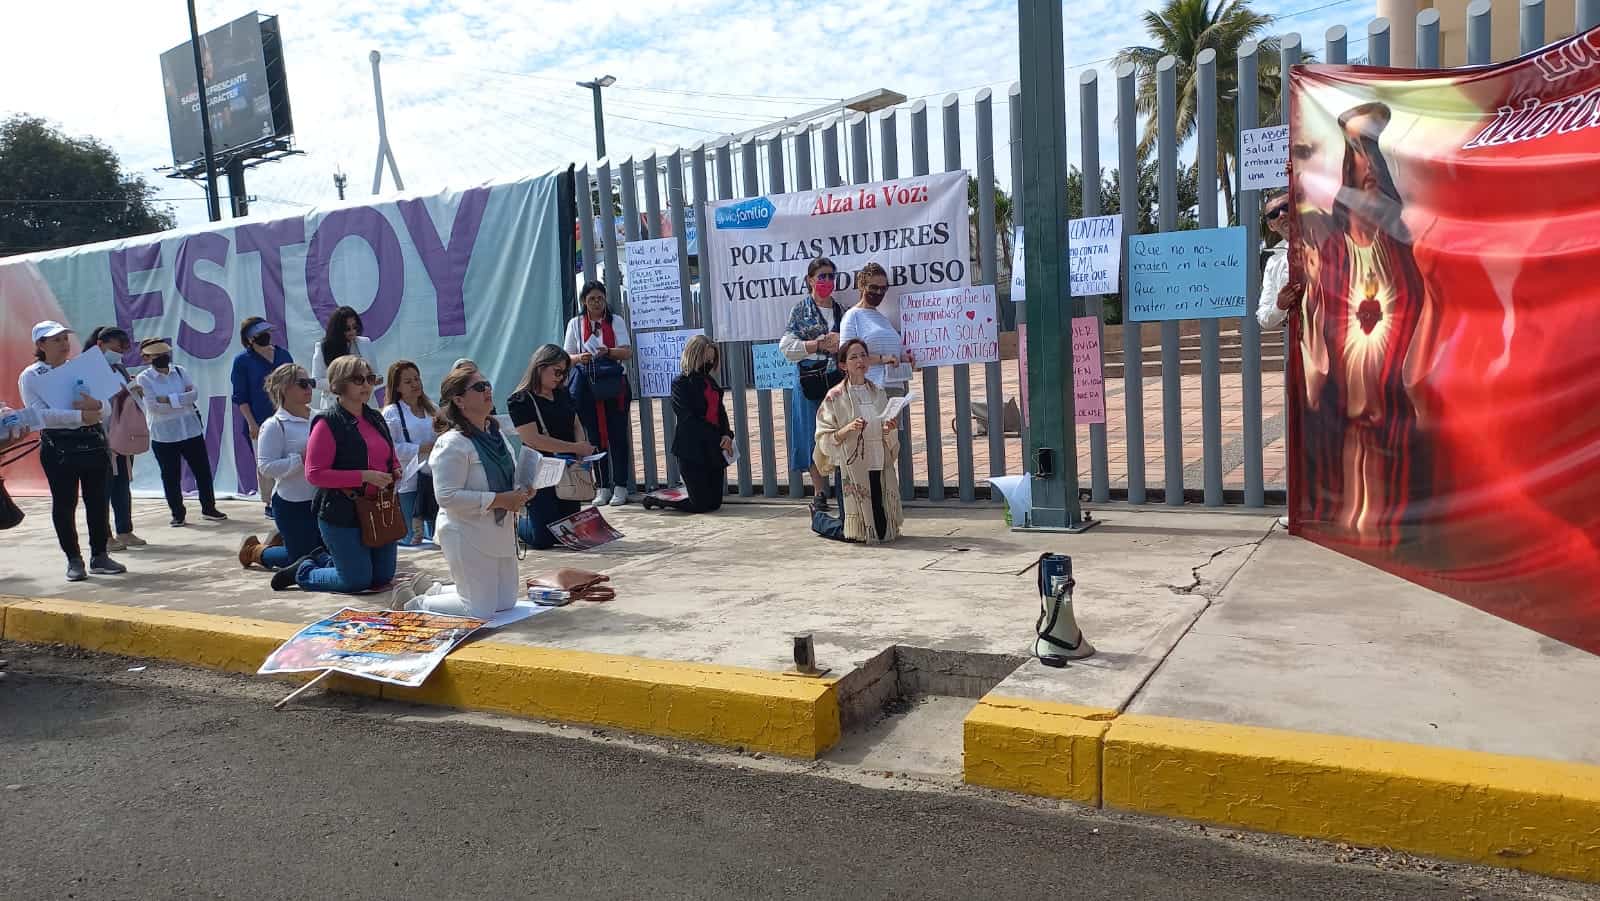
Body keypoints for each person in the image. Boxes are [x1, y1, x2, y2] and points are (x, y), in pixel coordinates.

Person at [1293, 101, 1431, 549]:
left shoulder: (1400, 250)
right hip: (1347, 379)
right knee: (1353, 436)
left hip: (1390, 378)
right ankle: (1353, 520)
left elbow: (1417, 306)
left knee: (1384, 438)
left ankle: (1385, 528)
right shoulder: (1332, 253)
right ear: (1348, 175)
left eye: (1374, 155)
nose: (1368, 166)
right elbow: (1320, 312)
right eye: (1358, 155)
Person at [391, 366, 532, 617]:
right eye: (478, 387)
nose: (487, 390)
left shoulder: (495, 433)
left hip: (498, 530)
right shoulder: (452, 442)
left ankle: (434, 590)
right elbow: (446, 497)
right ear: (459, 400)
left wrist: (522, 492)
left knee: (506, 603)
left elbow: (508, 478)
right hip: (465, 531)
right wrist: (500, 499)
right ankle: (416, 604)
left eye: (487, 384)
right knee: (478, 610)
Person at [272, 355, 402, 593]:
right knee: (356, 581)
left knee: (382, 577)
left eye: (370, 379)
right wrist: (363, 476)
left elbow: (389, 452)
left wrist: (395, 468)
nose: (366, 385)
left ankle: (326, 560)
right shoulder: (327, 422)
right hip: (342, 512)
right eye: (358, 379)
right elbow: (315, 474)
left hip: (378, 508)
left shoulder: (374, 416)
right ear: (339, 385)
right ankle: (305, 570)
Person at [18, 321, 126, 581]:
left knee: (98, 502)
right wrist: (81, 416)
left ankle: (100, 555)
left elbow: (107, 410)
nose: (64, 344)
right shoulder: (32, 375)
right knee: (66, 503)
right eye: (55, 340)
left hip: (92, 444)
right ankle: (74, 560)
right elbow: (39, 416)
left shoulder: (81, 368)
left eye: (65, 338)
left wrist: (96, 405)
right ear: (41, 345)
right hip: (59, 448)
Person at [815, 339, 904, 544]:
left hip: (876, 460)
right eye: (853, 357)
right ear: (843, 365)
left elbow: (883, 428)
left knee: (881, 531)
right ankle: (819, 519)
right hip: (851, 463)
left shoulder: (878, 392)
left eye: (863, 355)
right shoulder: (834, 397)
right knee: (856, 533)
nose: (860, 360)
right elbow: (824, 435)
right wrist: (847, 428)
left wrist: (888, 429)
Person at [506, 344, 595, 550]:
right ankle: (514, 525)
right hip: (541, 472)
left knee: (568, 532)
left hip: (567, 468)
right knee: (543, 539)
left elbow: (576, 423)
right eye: (556, 372)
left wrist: (580, 448)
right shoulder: (520, 400)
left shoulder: (562, 394)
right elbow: (533, 439)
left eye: (564, 373)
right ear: (540, 367)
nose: (560, 377)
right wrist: (575, 447)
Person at [134, 337, 226, 527]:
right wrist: (179, 400)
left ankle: (209, 508)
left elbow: (194, 395)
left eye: (164, 353)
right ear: (146, 358)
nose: (162, 357)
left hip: (190, 429)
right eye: (156, 355)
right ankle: (177, 513)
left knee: (203, 471)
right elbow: (154, 407)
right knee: (170, 475)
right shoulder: (144, 378)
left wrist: (167, 399)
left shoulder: (180, 371)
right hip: (164, 435)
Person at [779, 256, 845, 511]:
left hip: (836, 381)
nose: (827, 281)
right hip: (809, 380)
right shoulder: (800, 310)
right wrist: (817, 344)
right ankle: (819, 491)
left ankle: (843, 487)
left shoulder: (842, 311)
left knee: (839, 431)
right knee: (810, 433)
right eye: (822, 276)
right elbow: (786, 348)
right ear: (809, 280)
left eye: (831, 276)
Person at [240, 364, 319, 572]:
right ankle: (256, 551)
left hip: (321, 499)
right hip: (292, 503)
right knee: (303, 560)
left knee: (325, 554)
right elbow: (265, 467)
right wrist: (301, 459)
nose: (309, 388)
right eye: (302, 384)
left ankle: (285, 541)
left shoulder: (320, 417)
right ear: (284, 388)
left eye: (310, 383)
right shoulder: (274, 425)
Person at [563, 280, 633, 506]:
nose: (596, 302)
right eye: (591, 298)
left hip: (613, 386)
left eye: (600, 298)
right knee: (594, 437)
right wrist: (579, 358)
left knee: (617, 436)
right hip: (588, 387)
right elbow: (566, 357)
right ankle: (602, 487)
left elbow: (627, 352)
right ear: (584, 301)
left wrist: (609, 351)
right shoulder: (575, 324)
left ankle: (621, 486)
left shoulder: (616, 322)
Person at [650, 335, 732, 514]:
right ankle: (660, 500)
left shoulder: (711, 382)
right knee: (700, 505)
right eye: (706, 359)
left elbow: (720, 411)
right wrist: (715, 434)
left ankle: (682, 493)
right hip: (692, 449)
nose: (709, 363)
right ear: (695, 356)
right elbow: (687, 418)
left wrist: (727, 434)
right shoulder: (680, 383)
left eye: (712, 359)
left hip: (713, 447)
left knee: (714, 503)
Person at [86, 326, 147, 551]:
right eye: (114, 349)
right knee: (102, 488)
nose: (118, 354)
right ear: (99, 345)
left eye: (121, 350)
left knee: (122, 484)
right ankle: (105, 536)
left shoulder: (118, 368)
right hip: (99, 435)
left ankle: (125, 530)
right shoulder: (87, 370)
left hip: (121, 433)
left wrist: (133, 391)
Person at [1255, 192, 1296, 529]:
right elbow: (1264, 318)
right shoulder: (1275, 262)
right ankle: (1302, 511)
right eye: (1273, 214)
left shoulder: (1332, 241)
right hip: (1303, 355)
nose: (1282, 215)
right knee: (1302, 434)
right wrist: (1282, 304)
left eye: (1287, 206)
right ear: (1269, 225)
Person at [231, 316, 293, 518]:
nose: (266, 337)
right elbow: (240, 396)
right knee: (266, 465)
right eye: (259, 335)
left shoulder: (283, 355)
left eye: (267, 333)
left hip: (288, 417)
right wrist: (251, 423)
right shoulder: (242, 361)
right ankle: (269, 502)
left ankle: (289, 498)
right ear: (250, 340)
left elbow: (294, 384)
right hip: (259, 421)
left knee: (289, 458)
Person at [383, 360, 438, 548]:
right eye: (408, 382)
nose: (415, 384)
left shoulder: (431, 408)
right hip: (409, 480)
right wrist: (420, 448)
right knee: (410, 539)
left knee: (436, 537)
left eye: (417, 378)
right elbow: (389, 448)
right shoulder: (392, 413)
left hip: (433, 478)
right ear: (397, 387)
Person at [838, 261, 914, 396]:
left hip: (894, 389)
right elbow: (847, 357)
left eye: (883, 288)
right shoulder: (852, 316)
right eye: (874, 288)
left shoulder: (884, 319)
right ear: (862, 286)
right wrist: (882, 359)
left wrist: (904, 358)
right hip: (868, 390)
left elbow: (894, 354)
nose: (879, 292)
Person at [309, 306, 378, 409]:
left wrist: (372, 380)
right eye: (347, 328)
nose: (352, 331)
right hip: (336, 405)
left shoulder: (365, 343)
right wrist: (347, 383)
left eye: (355, 327)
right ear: (338, 329)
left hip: (364, 404)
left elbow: (375, 373)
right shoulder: (324, 347)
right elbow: (317, 381)